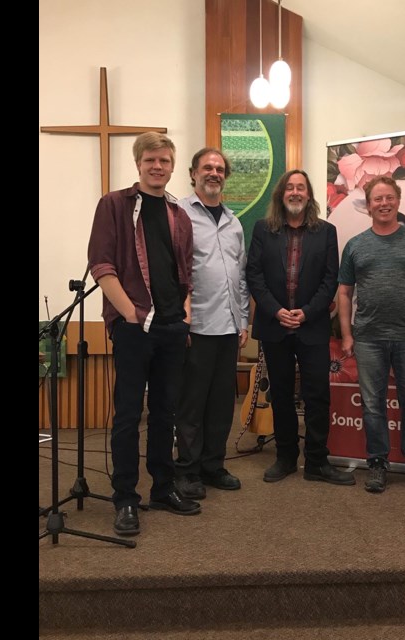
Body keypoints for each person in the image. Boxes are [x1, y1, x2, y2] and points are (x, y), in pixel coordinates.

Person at [87, 132, 202, 537]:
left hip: (172, 328)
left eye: (165, 161)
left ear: (173, 167)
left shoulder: (179, 214)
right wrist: (131, 316)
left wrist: (184, 316)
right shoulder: (114, 205)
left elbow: (185, 274)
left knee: (165, 413)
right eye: (151, 159)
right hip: (134, 329)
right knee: (128, 415)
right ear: (138, 163)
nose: (158, 166)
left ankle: (163, 488)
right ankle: (125, 499)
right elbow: (101, 265)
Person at [336, 175, 405, 495]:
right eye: (377, 199)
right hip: (368, 337)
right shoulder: (356, 245)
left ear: (398, 201)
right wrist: (346, 334)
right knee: (372, 405)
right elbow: (344, 293)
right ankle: (377, 464)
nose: (383, 204)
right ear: (368, 206)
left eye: (389, 198)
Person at [246, 169, 355, 486]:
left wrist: (305, 313)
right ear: (282, 194)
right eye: (290, 187)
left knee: (317, 396)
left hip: (312, 327)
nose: (295, 192)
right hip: (274, 325)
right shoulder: (263, 230)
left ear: (309, 195)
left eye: (301, 188)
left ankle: (318, 462)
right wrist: (277, 310)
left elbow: (330, 279)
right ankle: (285, 457)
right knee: (280, 395)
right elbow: (254, 276)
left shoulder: (326, 231)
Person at [174, 148, 250, 499]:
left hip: (229, 326)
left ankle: (213, 465)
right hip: (196, 325)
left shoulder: (234, 222)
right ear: (193, 174)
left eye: (220, 169)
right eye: (207, 167)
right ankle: (187, 470)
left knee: (221, 403)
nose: (214, 173)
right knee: (192, 403)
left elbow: (241, 275)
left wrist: (244, 319)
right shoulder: (179, 215)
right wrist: (181, 318)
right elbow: (175, 271)